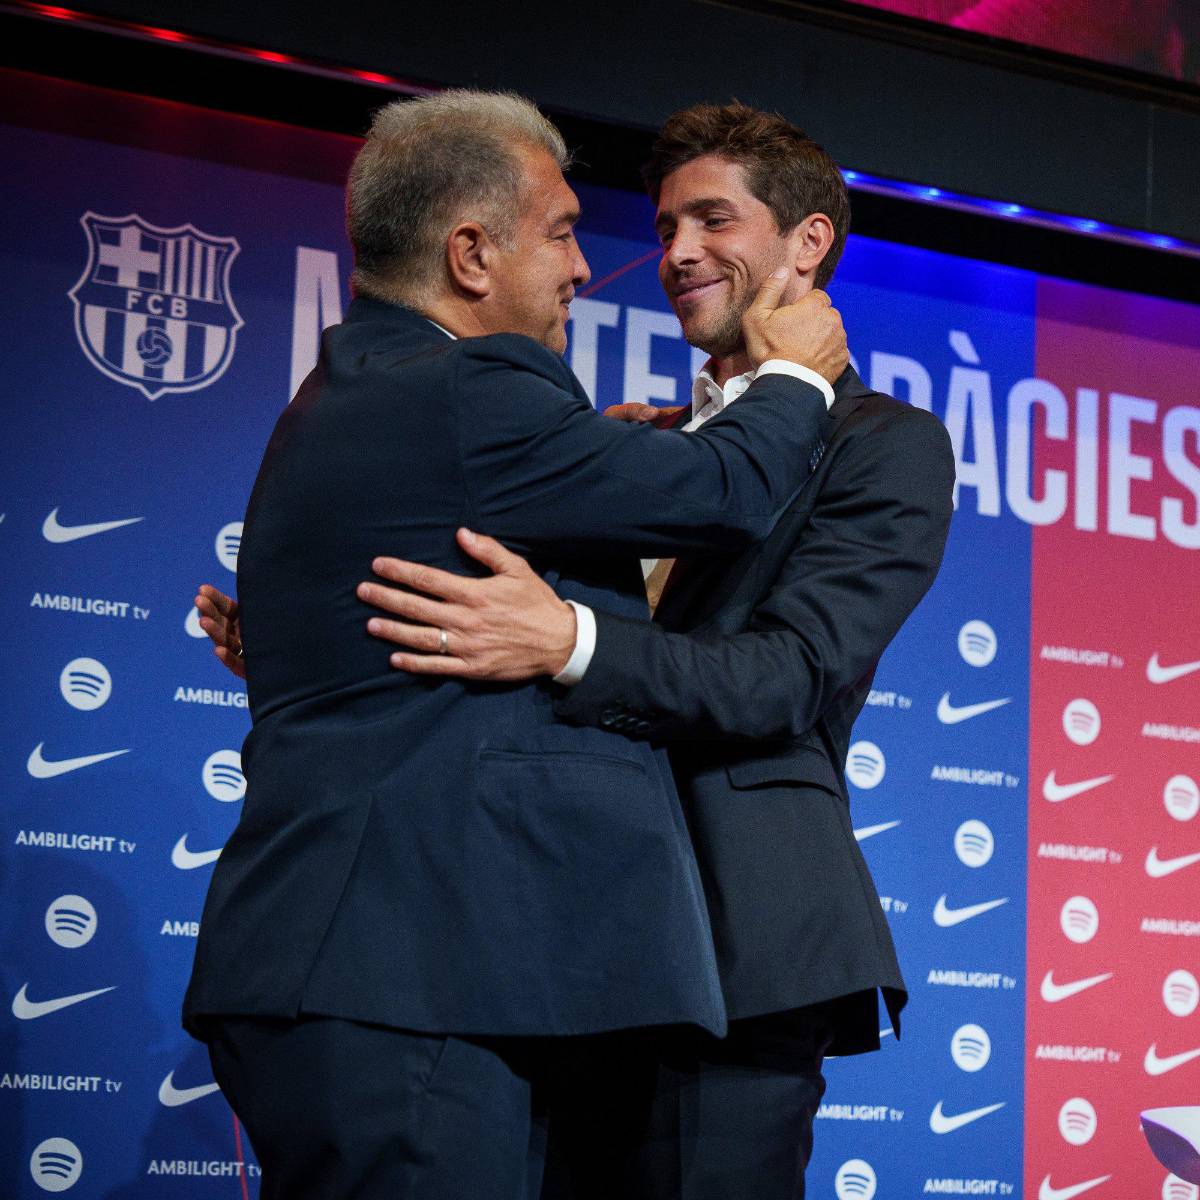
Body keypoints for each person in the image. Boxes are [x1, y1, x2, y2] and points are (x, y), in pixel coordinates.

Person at [279, 102, 957, 1198]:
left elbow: (784, 680)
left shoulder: (884, 447)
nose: (675, 252)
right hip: (565, 941)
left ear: (808, 244)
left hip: (742, 950)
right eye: (666, 223)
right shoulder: (643, 446)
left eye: (713, 220)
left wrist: (572, 639)